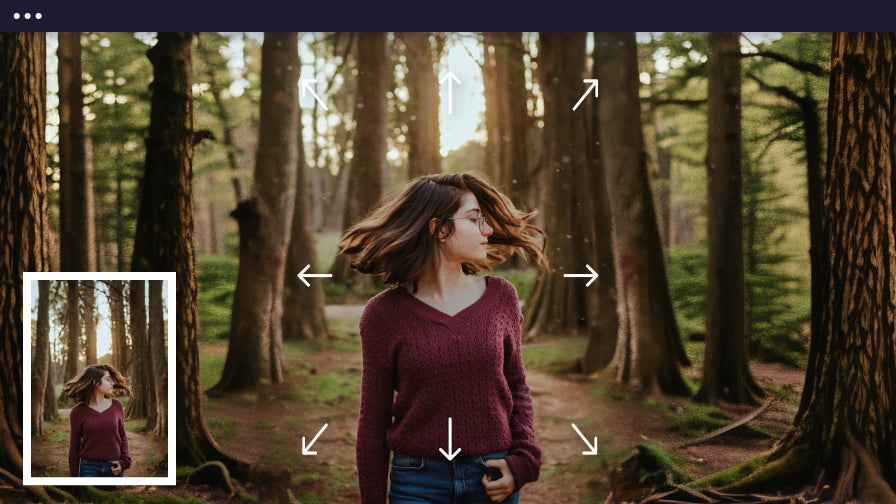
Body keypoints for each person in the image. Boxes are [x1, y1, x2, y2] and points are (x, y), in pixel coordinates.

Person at [338, 172, 549, 503]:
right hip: (417, 483)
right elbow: (373, 421)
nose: (488, 230)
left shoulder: (501, 297)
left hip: (492, 477)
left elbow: (517, 388)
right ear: (438, 229)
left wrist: (523, 461)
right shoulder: (383, 314)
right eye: (474, 219)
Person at [63, 364, 133, 477]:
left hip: (114, 467)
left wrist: (124, 462)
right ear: (95, 382)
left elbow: (123, 437)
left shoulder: (117, 406)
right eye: (108, 379)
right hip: (89, 469)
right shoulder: (77, 412)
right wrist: (74, 480)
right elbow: (74, 448)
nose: (113, 383)